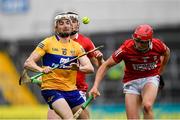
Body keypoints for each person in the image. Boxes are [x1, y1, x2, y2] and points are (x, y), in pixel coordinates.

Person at [89, 24, 170, 119]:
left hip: (150, 78)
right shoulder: (126, 48)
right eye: (137, 41)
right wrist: (95, 87)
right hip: (132, 81)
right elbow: (105, 65)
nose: (138, 44)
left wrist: (161, 68)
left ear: (149, 41)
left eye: (142, 42)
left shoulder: (158, 45)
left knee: (147, 106)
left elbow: (167, 52)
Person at [24, 12, 94, 119]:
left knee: (86, 118)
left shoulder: (77, 47)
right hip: (52, 89)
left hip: (72, 90)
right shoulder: (47, 43)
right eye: (61, 23)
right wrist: (41, 69)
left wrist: (78, 68)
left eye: (68, 23)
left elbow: (90, 68)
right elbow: (28, 63)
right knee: (69, 118)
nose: (65, 26)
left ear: (72, 27)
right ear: (56, 27)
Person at [46, 11, 104, 119]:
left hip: (77, 90)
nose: (72, 24)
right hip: (57, 88)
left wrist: (100, 59)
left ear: (78, 24)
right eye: (69, 21)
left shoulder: (85, 42)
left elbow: (101, 67)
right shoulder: (52, 42)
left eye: (74, 21)